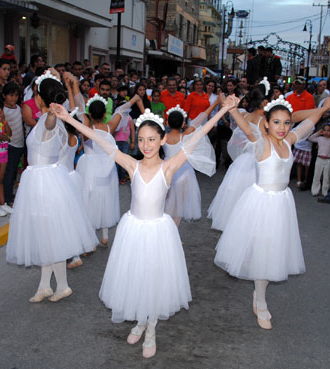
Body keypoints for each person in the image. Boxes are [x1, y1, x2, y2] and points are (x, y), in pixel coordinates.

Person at [51, 93, 239, 359]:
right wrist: (66, 117)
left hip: (158, 232)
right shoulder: (131, 164)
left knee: (154, 278)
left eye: (152, 139)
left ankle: (151, 328)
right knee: (136, 276)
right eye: (141, 139)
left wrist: (223, 110)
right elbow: (97, 138)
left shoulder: (169, 167)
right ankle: (140, 320)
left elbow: (198, 134)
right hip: (134, 231)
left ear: (162, 140)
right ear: (136, 141)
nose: (146, 145)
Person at [214, 94, 330, 330]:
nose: (282, 127)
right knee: (261, 250)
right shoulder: (262, 142)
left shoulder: (289, 141)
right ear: (267, 123)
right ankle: (261, 300)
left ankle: (259, 293)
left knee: (271, 250)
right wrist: (232, 110)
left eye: (286, 122)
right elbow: (247, 129)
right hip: (261, 203)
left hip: (281, 204)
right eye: (276, 122)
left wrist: (324, 108)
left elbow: (309, 123)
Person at [6, 70, 98, 303]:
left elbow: (50, 123)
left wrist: (53, 110)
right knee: (44, 236)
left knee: (50, 237)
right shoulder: (43, 119)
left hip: (45, 183)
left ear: (39, 97)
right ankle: (44, 286)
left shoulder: (50, 120)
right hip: (38, 182)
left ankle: (62, 285)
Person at [69, 73, 144, 246]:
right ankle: (104, 236)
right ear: (104, 114)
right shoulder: (110, 128)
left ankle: (90, 235)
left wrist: (73, 85)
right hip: (106, 169)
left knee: (89, 200)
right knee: (105, 199)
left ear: (90, 114)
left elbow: (79, 106)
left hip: (89, 168)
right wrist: (133, 100)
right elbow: (121, 110)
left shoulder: (87, 130)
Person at [208, 84, 268, 231]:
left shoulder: (245, 115)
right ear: (265, 101)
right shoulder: (263, 121)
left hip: (243, 160)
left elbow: (237, 136)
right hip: (256, 161)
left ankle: (233, 223)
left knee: (235, 193)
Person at [163, 102, 217, 227]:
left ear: (167, 123)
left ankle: (165, 228)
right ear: (183, 124)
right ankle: (174, 231)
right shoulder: (185, 135)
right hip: (184, 172)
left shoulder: (163, 137)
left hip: (167, 170)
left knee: (166, 201)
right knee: (179, 204)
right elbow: (202, 118)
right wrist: (215, 104)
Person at [2, 82, 24, 206]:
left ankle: (9, 193)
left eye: (16, 95)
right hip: (9, 144)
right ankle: (7, 196)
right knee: (9, 172)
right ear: (4, 95)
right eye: (11, 95)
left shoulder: (18, 108)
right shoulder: (3, 110)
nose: (14, 98)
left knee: (14, 171)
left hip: (19, 143)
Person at [308, 123, 330, 196]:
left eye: (328, 130)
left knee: (326, 177)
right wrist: (318, 133)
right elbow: (310, 138)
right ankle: (315, 191)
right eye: (325, 130)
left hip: (328, 160)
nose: (326, 132)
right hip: (319, 159)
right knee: (317, 175)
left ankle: (325, 192)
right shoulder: (320, 138)